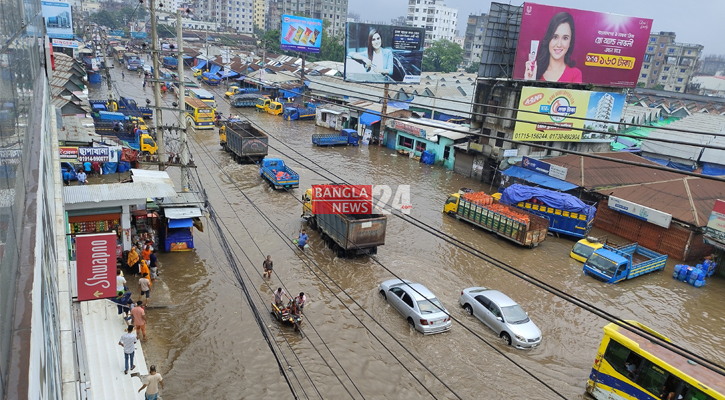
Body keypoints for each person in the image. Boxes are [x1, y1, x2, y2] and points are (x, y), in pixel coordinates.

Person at [524, 12, 582, 83]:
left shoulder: (575, 74)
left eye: (565, 38)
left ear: (570, 42)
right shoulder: (536, 71)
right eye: (555, 37)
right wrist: (529, 81)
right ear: (548, 39)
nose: (559, 44)